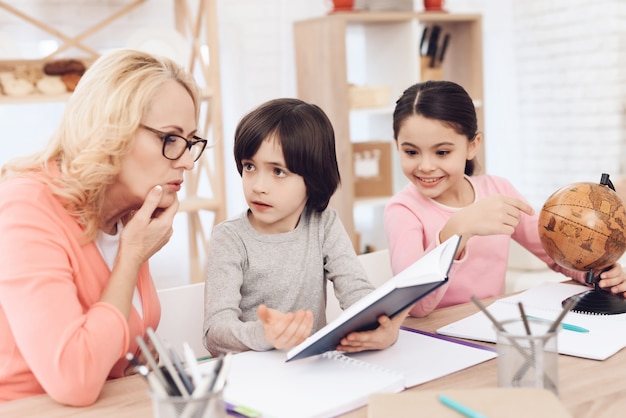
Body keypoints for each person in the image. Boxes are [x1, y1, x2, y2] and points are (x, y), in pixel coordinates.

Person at [0, 49, 207, 405]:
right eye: (171, 139)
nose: (187, 161)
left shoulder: (127, 213)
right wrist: (132, 255)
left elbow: (121, 350)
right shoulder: (25, 208)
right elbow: (75, 379)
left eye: (190, 142)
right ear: (113, 130)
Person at [384, 80, 626, 317]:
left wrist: (596, 273)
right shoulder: (402, 210)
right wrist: (458, 230)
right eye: (411, 152)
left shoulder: (498, 190)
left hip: (490, 329)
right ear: (396, 145)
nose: (426, 166)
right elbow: (415, 307)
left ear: (472, 145)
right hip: (430, 338)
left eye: (442, 152)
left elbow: (554, 251)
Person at [203, 98, 408, 356]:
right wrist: (265, 333)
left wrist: (382, 326)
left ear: (313, 178)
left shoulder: (324, 223)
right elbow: (215, 333)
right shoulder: (229, 237)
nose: (258, 186)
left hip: (313, 369)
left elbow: (356, 291)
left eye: (278, 171)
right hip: (254, 376)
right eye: (250, 167)